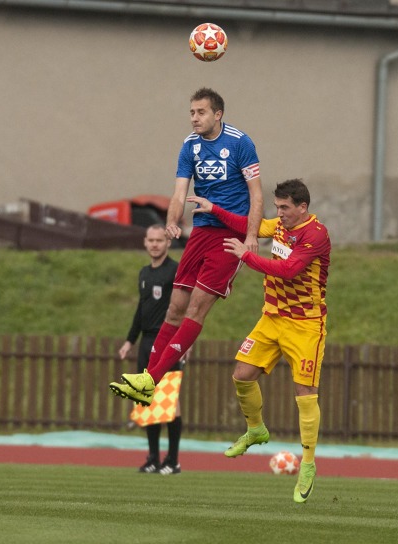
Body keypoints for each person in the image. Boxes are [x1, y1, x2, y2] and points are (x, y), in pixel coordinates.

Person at [110, 87, 264, 406]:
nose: (194, 118)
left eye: (201, 112)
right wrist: (172, 221)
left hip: (229, 235)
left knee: (195, 309)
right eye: (192, 112)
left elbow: (257, 194)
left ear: (218, 114)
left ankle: (150, 380)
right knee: (175, 308)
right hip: (201, 232)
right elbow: (179, 193)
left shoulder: (240, 143)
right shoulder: (190, 145)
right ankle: (147, 379)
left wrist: (251, 236)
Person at [188, 178, 330, 504]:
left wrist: (246, 255)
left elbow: (289, 270)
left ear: (302, 207)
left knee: (305, 392)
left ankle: (308, 464)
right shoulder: (279, 226)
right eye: (277, 207)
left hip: (305, 325)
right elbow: (250, 225)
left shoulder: (315, 235)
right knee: (242, 374)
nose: (279, 213)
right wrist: (214, 209)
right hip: (271, 318)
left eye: (284, 207)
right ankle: (256, 430)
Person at [118, 225, 183, 475]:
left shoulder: (175, 271)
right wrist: (129, 341)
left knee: (169, 400)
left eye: (159, 240)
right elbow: (141, 310)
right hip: (146, 341)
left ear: (168, 243)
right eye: (151, 240)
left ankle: (173, 460)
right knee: (148, 399)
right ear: (145, 242)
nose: (155, 244)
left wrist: (183, 341)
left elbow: (185, 306)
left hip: (167, 340)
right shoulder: (144, 273)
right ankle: (153, 458)